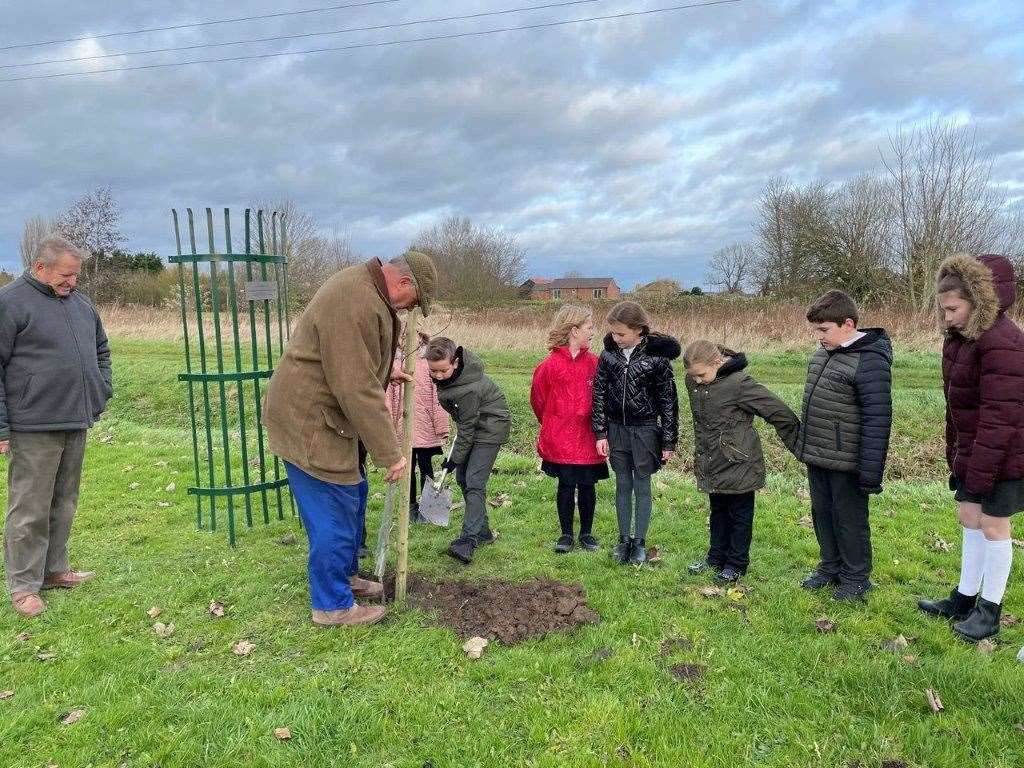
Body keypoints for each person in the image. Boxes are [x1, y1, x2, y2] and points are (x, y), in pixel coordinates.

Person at [262, 250, 437, 628]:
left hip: (326, 414)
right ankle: (331, 605)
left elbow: (349, 360)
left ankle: (343, 578)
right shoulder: (356, 300)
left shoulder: (366, 290)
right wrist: (390, 454)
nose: (410, 311)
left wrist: (382, 368)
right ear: (404, 283)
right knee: (333, 512)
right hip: (310, 421)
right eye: (415, 302)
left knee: (352, 497)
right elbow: (355, 386)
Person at [1, 235, 112, 618]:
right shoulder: (10, 303)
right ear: (40, 268)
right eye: (66, 275)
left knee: (64, 502)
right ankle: (23, 585)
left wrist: (101, 389)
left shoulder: (81, 303)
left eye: (76, 275)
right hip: (32, 424)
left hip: (75, 417)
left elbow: (101, 349)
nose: (72, 282)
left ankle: (54, 570)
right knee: (29, 506)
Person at [918, 254, 1024, 641]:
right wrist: (958, 456)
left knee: (995, 526)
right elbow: (958, 406)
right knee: (968, 517)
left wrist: (980, 472)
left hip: (1006, 455)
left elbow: (1002, 417)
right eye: (942, 309)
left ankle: (990, 611)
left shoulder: (1004, 344)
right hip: (975, 451)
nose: (946, 317)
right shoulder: (961, 340)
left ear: (979, 302)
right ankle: (964, 598)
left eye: (953, 308)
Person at [796, 290, 892, 601]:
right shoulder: (823, 354)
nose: (819, 336)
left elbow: (878, 418)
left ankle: (856, 578)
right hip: (818, 454)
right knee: (822, 513)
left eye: (824, 330)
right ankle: (830, 568)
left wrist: (869, 473)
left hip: (848, 460)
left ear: (848, 324)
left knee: (850, 521)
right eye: (816, 330)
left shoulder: (870, 360)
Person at [683, 340, 800, 582]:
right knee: (718, 511)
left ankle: (736, 564)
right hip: (711, 461)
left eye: (702, 374)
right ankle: (715, 558)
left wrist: (800, 443)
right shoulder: (694, 383)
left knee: (739, 515)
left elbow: (779, 412)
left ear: (717, 362)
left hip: (740, 463)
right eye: (693, 376)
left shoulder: (739, 384)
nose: (697, 380)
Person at [591, 300, 679, 566]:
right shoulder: (608, 356)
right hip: (616, 430)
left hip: (646, 431)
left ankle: (639, 541)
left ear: (639, 330)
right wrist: (600, 432)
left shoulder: (658, 360)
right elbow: (598, 395)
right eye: (613, 333)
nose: (615, 339)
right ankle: (623, 539)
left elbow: (669, 402)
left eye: (621, 334)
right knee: (622, 485)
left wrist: (668, 439)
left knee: (641, 484)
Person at [530, 305, 609, 554]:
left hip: (588, 438)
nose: (593, 332)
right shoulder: (549, 366)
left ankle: (586, 533)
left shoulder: (596, 364)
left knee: (587, 485)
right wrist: (555, 422)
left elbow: (604, 399)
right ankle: (566, 534)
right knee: (565, 485)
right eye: (589, 327)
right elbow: (538, 400)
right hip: (560, 438)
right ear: (574, 330)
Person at [425, 337, 511, 564]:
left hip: (491, 427)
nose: (438, 376)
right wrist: (455, 461)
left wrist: (452, 459)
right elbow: (464, 422)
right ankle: (483, 533)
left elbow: (467, 427)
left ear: (455, 362)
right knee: (463, 478)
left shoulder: (468, 389)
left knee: (474, 481)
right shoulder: (452, 379)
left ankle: (468, 540)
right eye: (433, 371)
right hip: (473, 425)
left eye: (443, 370)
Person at [386, 330, 449, 520]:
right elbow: (388, 397)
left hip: (425, 428)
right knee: (407, 468)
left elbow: (438, 398)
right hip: (402, 427)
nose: (406, 341)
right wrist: (388, 425)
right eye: (402, 337)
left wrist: (441, 426)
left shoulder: (428, 364)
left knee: (426, 466)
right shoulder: (393, 363)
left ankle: (429, 507)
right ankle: (410, 506)